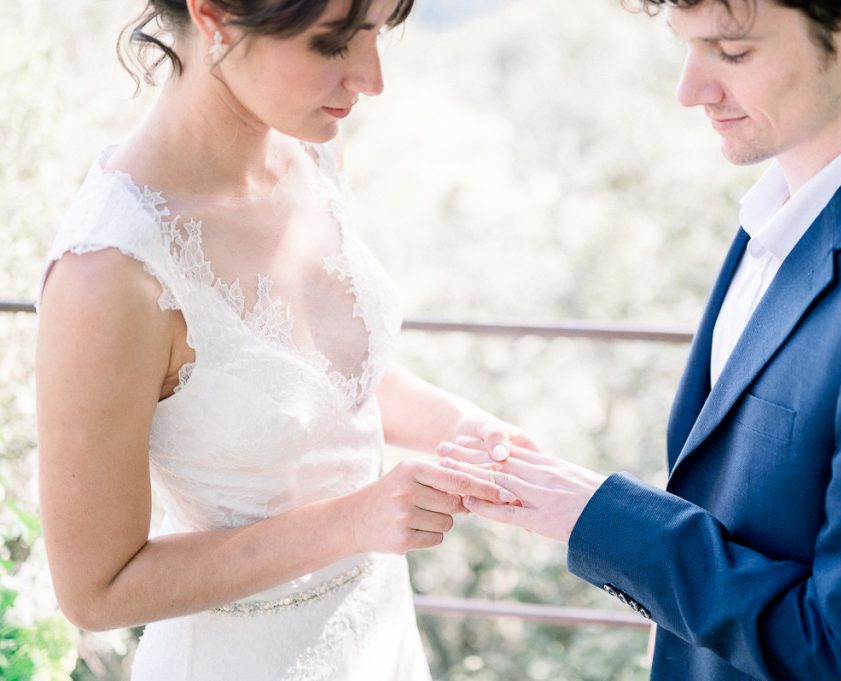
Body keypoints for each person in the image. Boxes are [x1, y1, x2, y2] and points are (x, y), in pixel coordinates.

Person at [437, 0, 841, 678]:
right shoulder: (793, 193)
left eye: (733, 52)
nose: (690, 90)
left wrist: (598, 517)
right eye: (685, 45)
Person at [34, 1, 532, 679]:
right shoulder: (110, 275)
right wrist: (356, 520)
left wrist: (468, 426)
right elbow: (96, 590)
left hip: (384, 638)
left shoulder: (312, 145)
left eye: (377, 33)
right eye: (333, 44)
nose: (373, 77)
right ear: (214, 18)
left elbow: (321, 381)